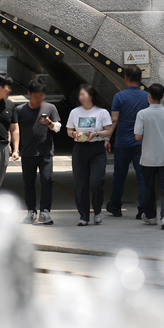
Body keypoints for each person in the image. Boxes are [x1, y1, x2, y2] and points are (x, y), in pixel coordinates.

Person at [66, 84, 114, 226]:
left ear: (91, 96)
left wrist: (97, 134)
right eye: (79, 95)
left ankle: (97, 210)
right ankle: (84, 216)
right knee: (80, 184)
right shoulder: (75, 112)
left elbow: (109, 131)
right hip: (80, 149)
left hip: (97, 148)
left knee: (97, 182)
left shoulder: (102, 112)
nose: (81, 97)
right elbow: (69, 130)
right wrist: (74, 133)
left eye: (83, 94)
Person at [106, 65, 149, 219]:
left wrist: (106, 139)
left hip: (123, 142)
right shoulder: (148, 96)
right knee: (143, 176)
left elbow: (114, 120)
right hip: (142, 143)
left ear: (125, 78)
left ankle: (115, 206)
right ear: (141, 79)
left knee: (119, 175)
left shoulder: (119, 97)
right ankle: (143, 209)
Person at [17, 79, 61, 225]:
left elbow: (58, 128)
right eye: (36, 96)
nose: (39, 99)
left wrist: (49, 123)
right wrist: (15, 148)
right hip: (28, 152)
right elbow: (15, 129)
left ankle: (45, 211)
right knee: (28, 183)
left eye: (42, 96)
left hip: (46, 151)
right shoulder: (20, 110)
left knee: (47, 180)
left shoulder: (50, 108)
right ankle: (31, 211)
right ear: (29, 94)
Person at [134, 84, 164, 229]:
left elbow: (138, 136)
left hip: (148, 157)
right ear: (163, 96)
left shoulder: (142, 114)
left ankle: (151, 216)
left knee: (149, 187)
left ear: (148, 96)